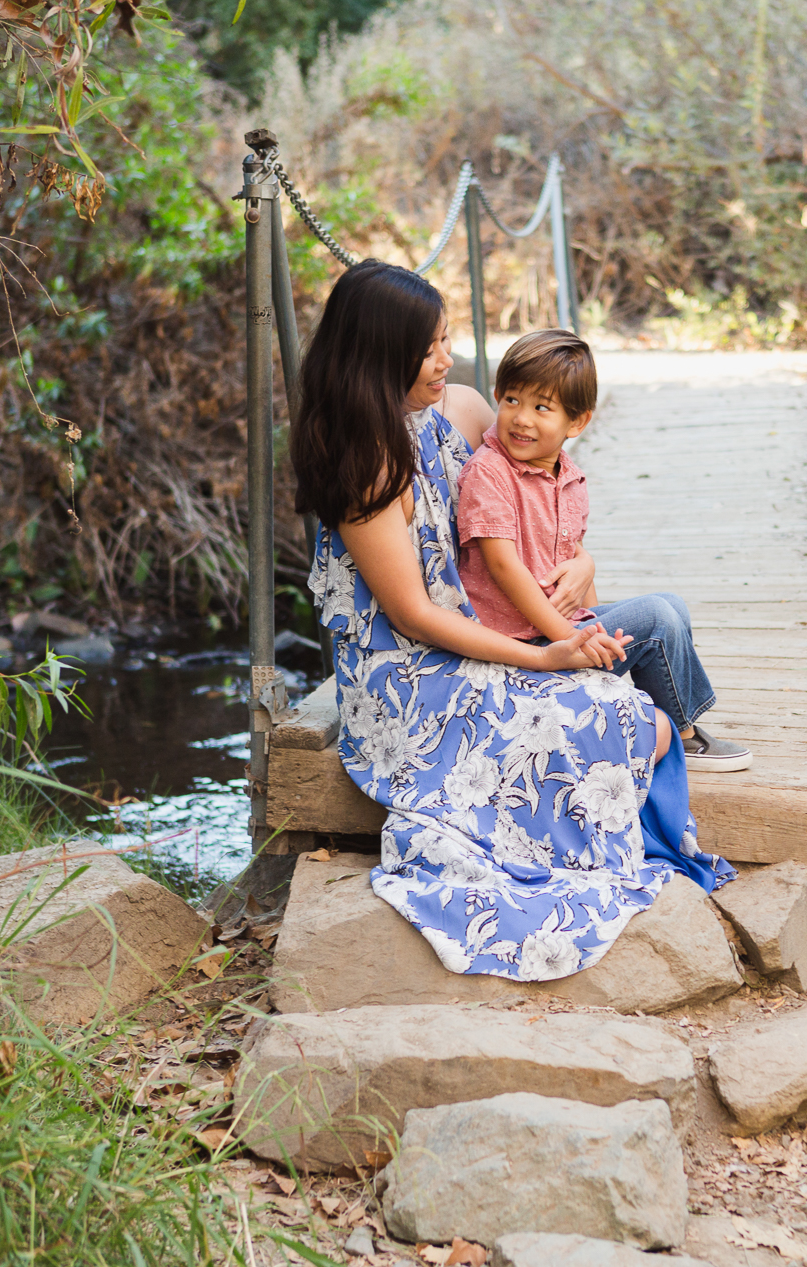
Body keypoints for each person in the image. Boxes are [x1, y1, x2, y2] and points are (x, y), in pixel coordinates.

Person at [293, 260, 736, 982]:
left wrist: (584, 563)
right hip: (414, 678)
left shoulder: (461, 411)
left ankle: (668, 725)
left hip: (489, 637)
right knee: (635, 723)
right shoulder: (365, 466)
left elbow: (539, 494)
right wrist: (539, 659)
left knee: (648, 676)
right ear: (381, 356)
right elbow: (411, 612)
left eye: (444, 341)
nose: (447, 359)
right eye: (429, 348)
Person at [454, 329, 752, 772]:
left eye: (542, 407)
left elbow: (575, 561)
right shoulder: (491, 472)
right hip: (518, 644)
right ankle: (685, 738)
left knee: (671, 605)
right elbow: (502, 566)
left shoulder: (568, 476)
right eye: (512, 400)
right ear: (497, 396)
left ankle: (653, 716)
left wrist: (593, 625)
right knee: (656, 617)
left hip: (556, 628)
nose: (522, 418)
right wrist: (567, 638)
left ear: (577, 423)